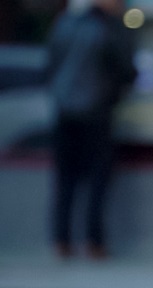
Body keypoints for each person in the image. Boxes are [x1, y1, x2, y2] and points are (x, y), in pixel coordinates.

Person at [45, 0, 136, 259]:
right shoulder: (108, 30)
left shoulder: (64, 25)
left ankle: (61, 239)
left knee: (65, 180)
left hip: (64, 112)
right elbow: (126, 70)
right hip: (97, 113)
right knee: (98, 180)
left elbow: (50, 66)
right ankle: (94, 242)